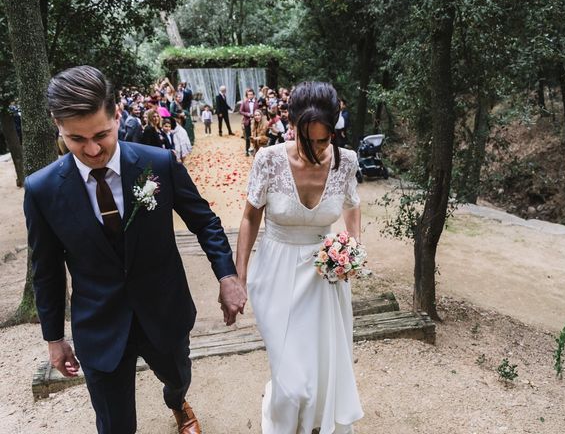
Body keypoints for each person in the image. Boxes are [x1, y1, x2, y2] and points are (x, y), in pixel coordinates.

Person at [23, 65, 247, 434]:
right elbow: (45, 270)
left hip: (164, 310)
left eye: (101, 135)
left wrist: (227, 275)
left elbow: (204, 221)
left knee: (178, 376)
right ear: (57, 125)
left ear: (117, 114)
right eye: (77, 140)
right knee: (113, 425)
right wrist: (54, 338)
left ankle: (176, 402)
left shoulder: (157, 163)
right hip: (99, 325)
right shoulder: (42, 189)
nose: (92, 149)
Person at [236, 81, 364, 433]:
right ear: (291, 126)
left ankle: (315, 424)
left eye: (323, 141)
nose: (315, 150)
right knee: (291, 379)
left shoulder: (346, 162)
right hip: (275, 272)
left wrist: (352, 248)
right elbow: (249, 217)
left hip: (325, 278)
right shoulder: (269, 160)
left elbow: (353, 206)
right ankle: (279, 418)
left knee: (320, 367)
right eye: (306, 140)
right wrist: (239, 277)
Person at [239, 88, 257, 156]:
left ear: (253, 95)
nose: (250, 96)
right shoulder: (244, 102)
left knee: (255, 135)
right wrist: (248, 114)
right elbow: (240, 111)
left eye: (251, 94)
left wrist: (255, 115)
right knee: (247, 137)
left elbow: (259, 110)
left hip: (256, 121)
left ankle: (256, 150)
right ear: (247, 95)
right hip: (247, 121)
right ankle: (247, 150)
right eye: (249, 95)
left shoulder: (256, 102)